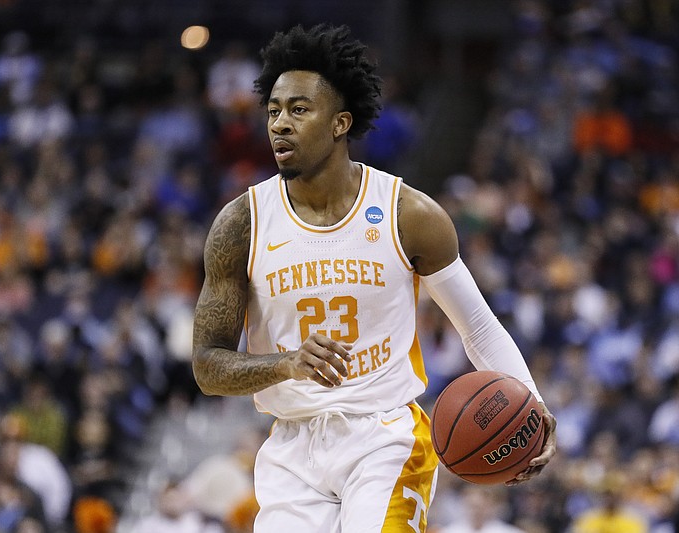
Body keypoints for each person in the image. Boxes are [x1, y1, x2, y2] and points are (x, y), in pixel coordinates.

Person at [192, 24, 557, 532]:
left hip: (384, 436)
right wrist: (287, 365)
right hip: (290, 446)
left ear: (341, 122)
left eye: (299, 109)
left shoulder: (408, 214)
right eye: (273, 110)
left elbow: (476, 325)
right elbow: (207, 367)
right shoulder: (241, 223)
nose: (279, 123)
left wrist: (531, 406)